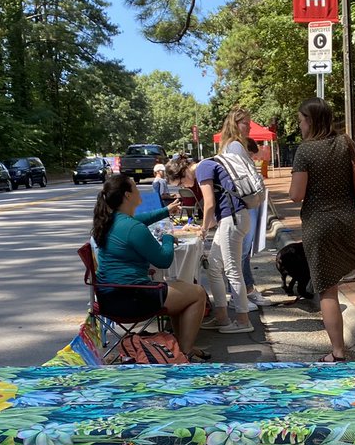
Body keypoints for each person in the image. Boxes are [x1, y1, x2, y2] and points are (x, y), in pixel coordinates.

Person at [290, 97, 355, 361]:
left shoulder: (305, 152)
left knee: (327, 287)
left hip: (318, 224)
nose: (300, 126)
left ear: (310, 120)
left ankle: (338, 352)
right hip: (348, 218)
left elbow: (296, 194)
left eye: (300, 121)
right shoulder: (345, 142)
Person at [91, 174, 210, 360]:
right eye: (134, 186)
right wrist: (168, 237)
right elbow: (164, 260)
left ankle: (179, 346)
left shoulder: (111, 220)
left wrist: (165, 211)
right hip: (132, 298)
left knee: (178, 286)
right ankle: (185, 353)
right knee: (197, 293)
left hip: (109, 297)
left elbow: (139, 220)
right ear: (127, 195)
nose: (139, 190)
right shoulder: (132, 228)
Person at [196, 143, 254, 334]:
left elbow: (209, 204)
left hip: (233, 219)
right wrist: (205, 225)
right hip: (233, 218)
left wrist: (203, 229)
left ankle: (243, 320)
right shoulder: (209, 164)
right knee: (213, 266)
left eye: (182, 184)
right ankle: (222, 317)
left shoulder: (202, 168)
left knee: (232, 270)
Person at [219, 108, 271, 312]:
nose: (249, 126)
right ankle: (238, 294)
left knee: (242, 252)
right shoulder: (235, 146)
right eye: (245, 123)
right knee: (240, 252)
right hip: (244, 202)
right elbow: (244, 176)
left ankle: (246, 289)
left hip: (242, 202)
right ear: (235, 123)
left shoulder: (233, 145)